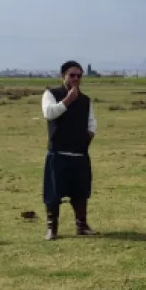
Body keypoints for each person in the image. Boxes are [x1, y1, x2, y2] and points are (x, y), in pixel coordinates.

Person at [41, 61, 98, 240]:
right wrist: (67, 100)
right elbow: (49, 113)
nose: (75, 79)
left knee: (81, 192)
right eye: (72, 75)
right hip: (58, 153)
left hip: (79, 153)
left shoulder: (85, 100)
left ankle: (82, 225)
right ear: (63, 76)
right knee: (53, 193)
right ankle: (52, 228)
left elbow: (92, 122)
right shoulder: (51, 94)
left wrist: (88, 135)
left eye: (79, 76)